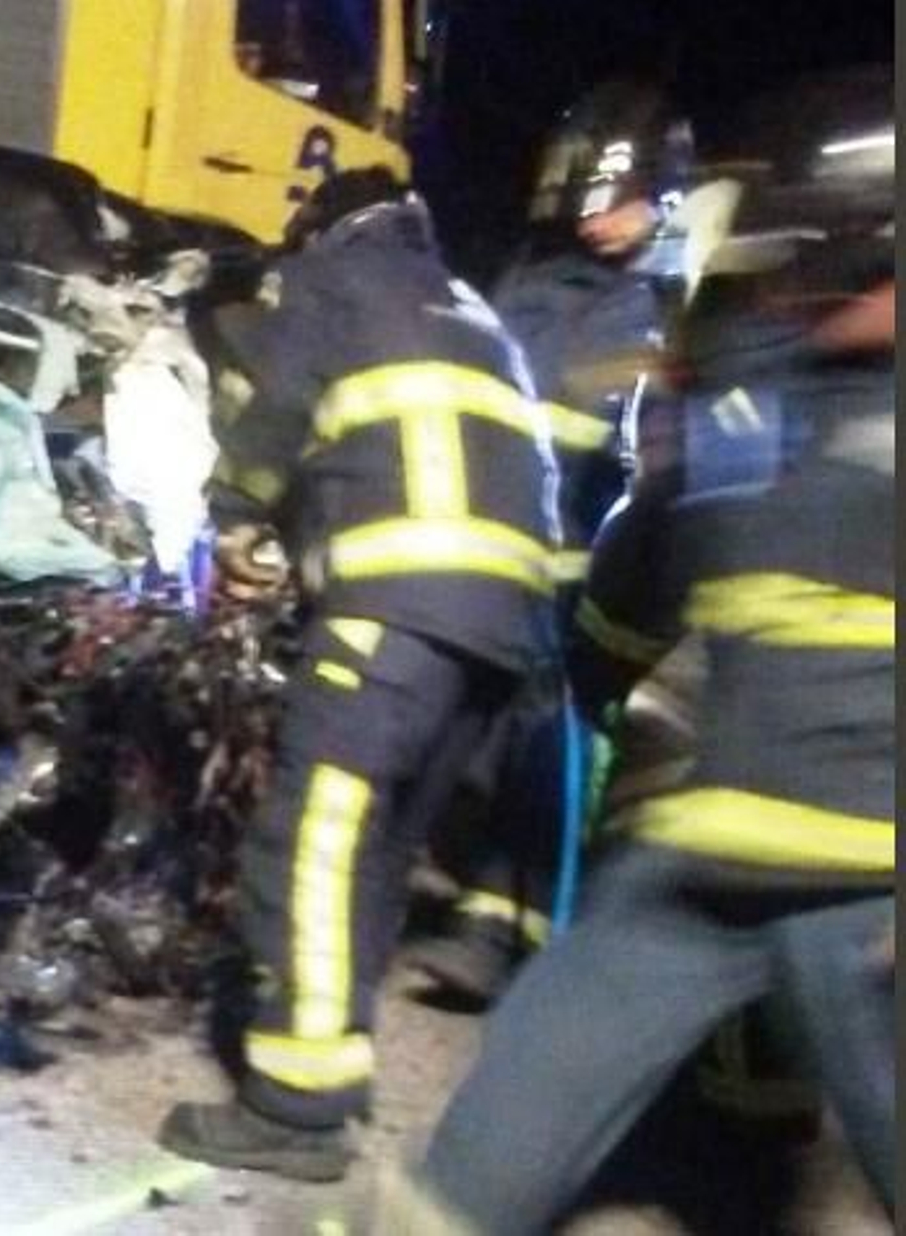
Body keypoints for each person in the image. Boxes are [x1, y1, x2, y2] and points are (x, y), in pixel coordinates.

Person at [380, 65, 896, 1233]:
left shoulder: (751, 392)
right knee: (483, 1147)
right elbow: (643, 581)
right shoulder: (748, 388)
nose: (805, 297)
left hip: (874, 878)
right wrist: (594, 668)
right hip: (712, 854)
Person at [156, 168, 559, 1181]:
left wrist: (231, 514)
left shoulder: (334, 282)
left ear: (324, 233)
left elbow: (273, 416)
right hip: (502, 629)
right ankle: (336, 1059)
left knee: (310, 845)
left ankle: (295, 1110)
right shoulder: (467, 308)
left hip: (400, 610)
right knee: (373, 853)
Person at [414, 80, 692, 1004]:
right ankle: (469, 905)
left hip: (581, 585)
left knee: (546, 755)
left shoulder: (670, 315)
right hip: (480, 555)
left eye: (622, 198)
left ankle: (503, 934)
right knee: (462, 734)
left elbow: (657, 467)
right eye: (592, 195)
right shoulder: (527, 286)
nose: (602, 216)